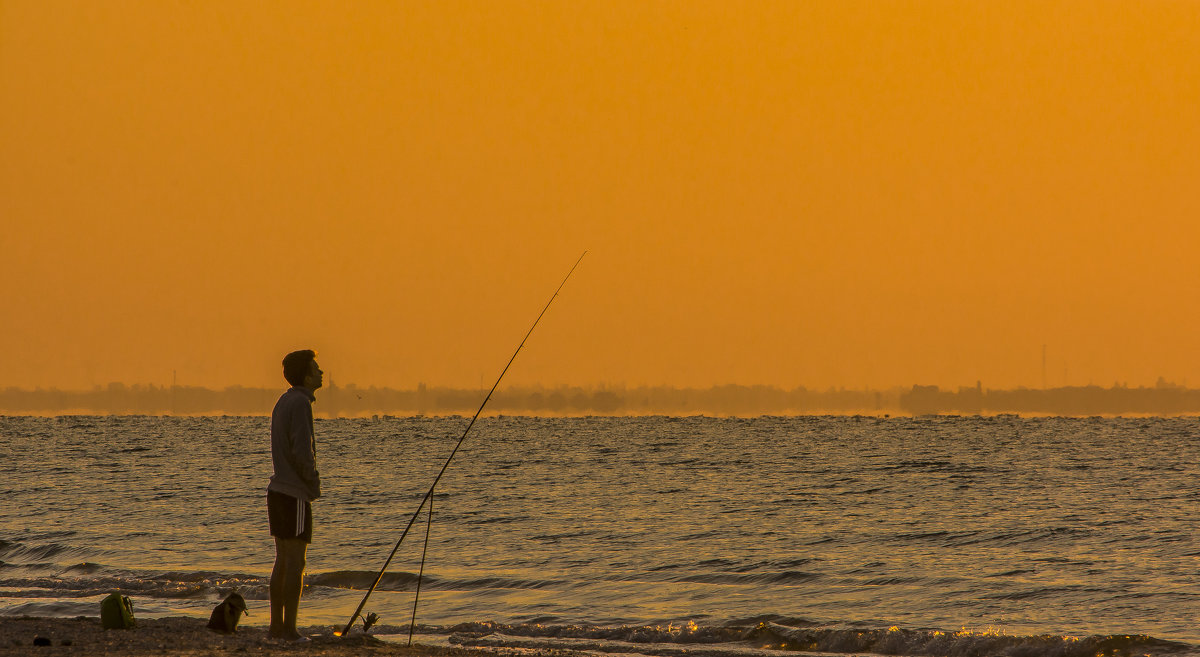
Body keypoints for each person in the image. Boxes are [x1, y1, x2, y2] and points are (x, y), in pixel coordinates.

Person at [266, 349, 323, 641]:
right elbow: (303, 451)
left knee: (282, 560)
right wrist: (313, 483)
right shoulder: (300, 403)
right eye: (316, 367)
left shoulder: (284, 400)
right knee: (296, 563)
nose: (321, 372)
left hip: (277, 491)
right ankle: (289, 629)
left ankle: (277, 626)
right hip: (294, 494)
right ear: (306, 374)